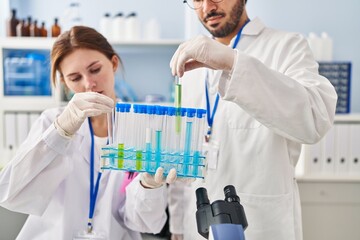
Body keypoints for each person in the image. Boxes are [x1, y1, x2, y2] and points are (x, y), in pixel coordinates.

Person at [168, 0, 338, 240]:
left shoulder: (286, 47)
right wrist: (177, 227)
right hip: (197, 226)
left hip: (262, 226)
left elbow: (314, 120)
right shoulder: (188, 64)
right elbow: (181, 152)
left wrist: (233, 63)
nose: (207, 7)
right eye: (196, 0)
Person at [0, 26, 174, 240]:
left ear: (114, 64)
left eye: (95, 69)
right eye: (75, 78)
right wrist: (60, 131)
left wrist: (149, 186)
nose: (89, 84)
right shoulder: (50, 122)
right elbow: (10, 193)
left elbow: (145, 223)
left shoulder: (142, 128)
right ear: (64, 82)